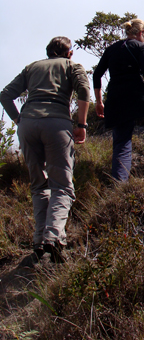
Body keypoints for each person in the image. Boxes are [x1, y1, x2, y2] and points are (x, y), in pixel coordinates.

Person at [0, 36, 90, 264]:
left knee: (39, 185)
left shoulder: (32, 67)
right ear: (69, 53)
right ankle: (54, 237)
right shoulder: (72, 66)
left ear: (49, 51)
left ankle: (39, 242)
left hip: (28, 125)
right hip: (56, 123)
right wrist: (81, 125)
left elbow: (5, 95)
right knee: (62, 186)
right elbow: (84, 92)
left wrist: (19, 120)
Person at [93, 18, 144, 182]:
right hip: (137, 96)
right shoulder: (141, 46)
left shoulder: (111, 49)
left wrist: (99, 101)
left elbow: (96, 75)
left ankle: (119, 185)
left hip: (115, 99)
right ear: (139, 33)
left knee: (122, 143)